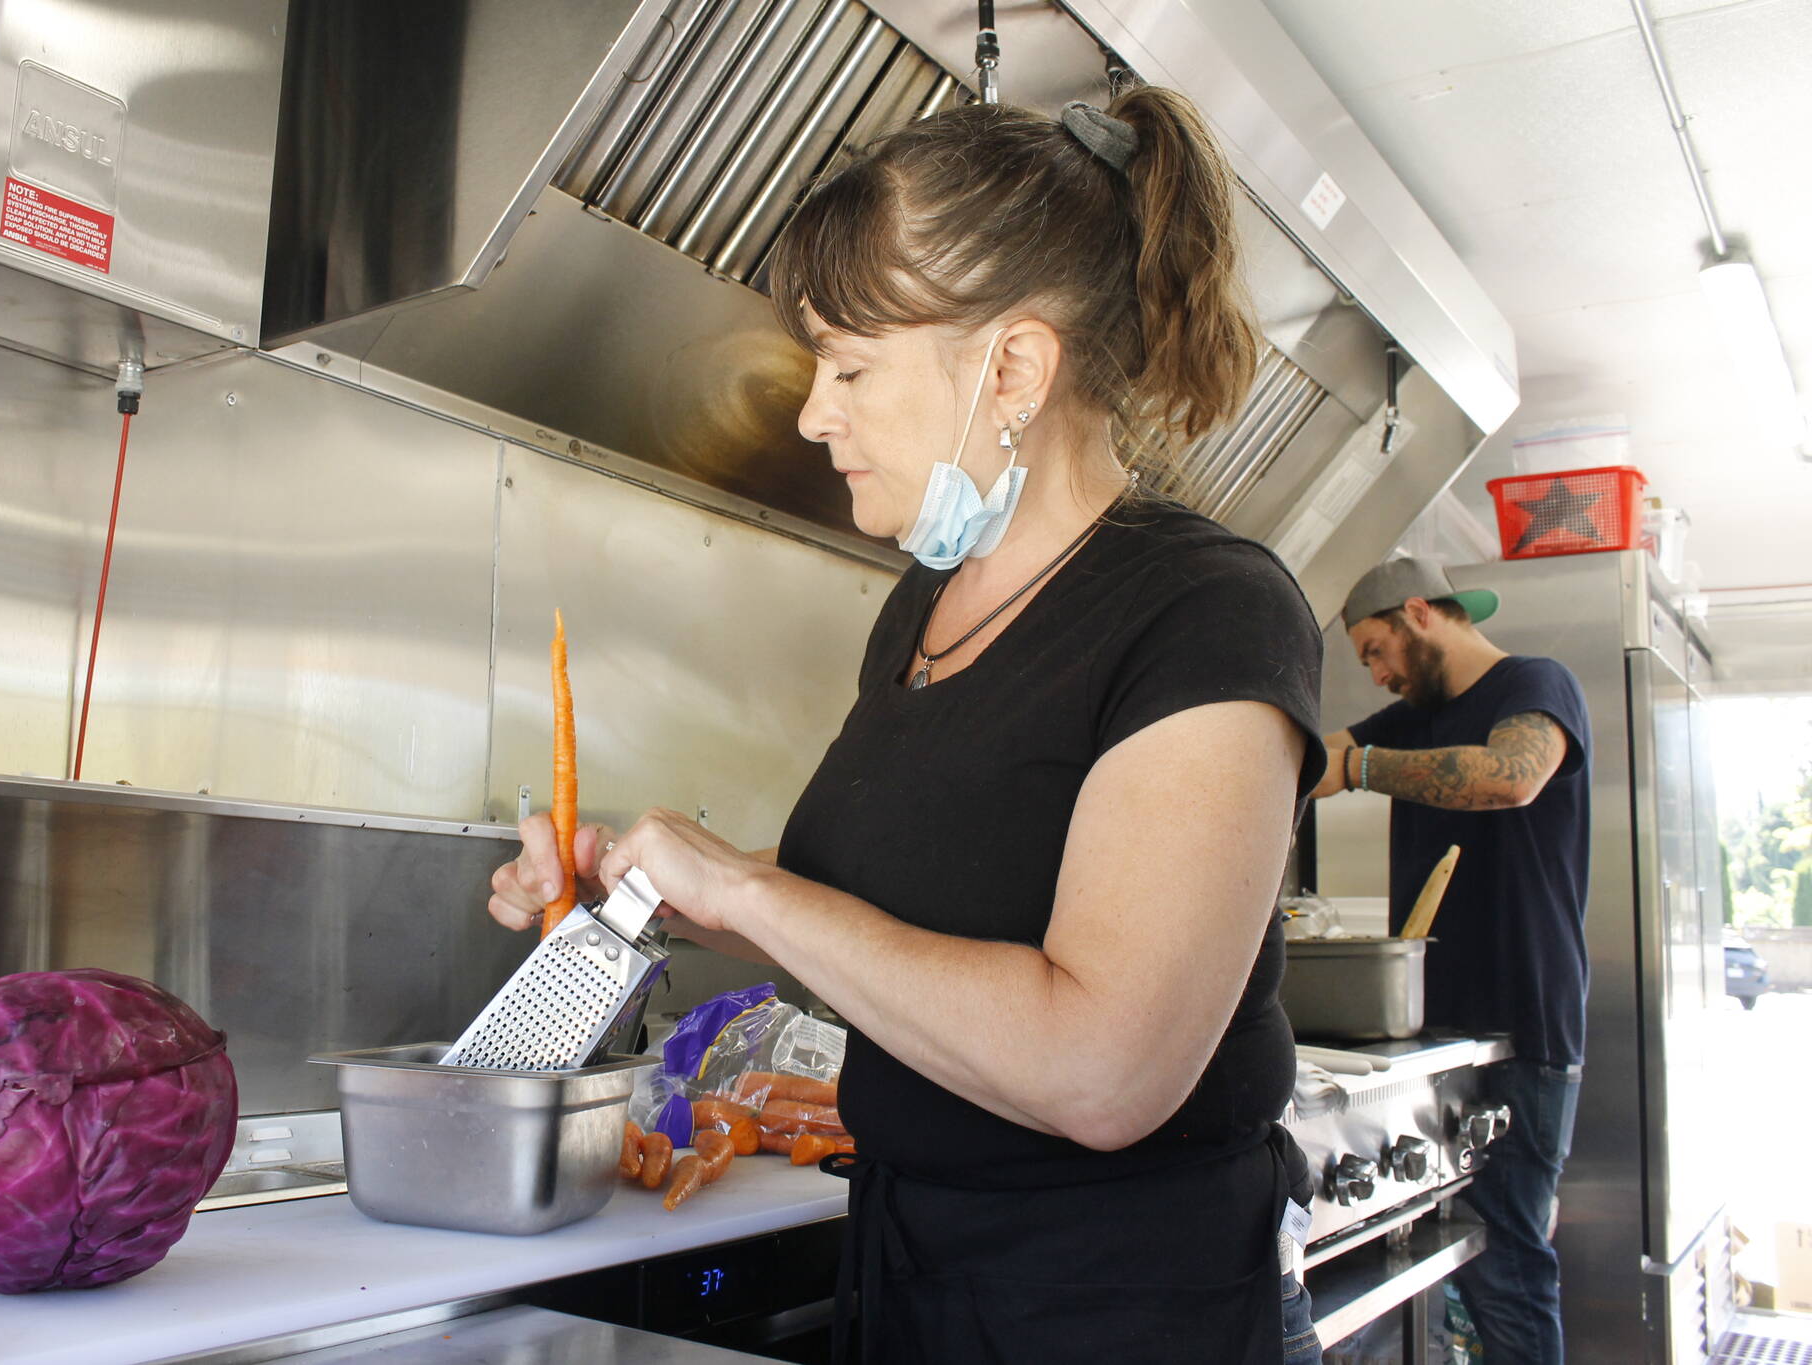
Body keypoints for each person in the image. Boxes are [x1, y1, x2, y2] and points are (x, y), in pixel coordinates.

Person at [490, 88, 1328, 1364]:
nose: (813, 411)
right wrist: (648, 885)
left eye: (851, 365)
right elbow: (888, 936)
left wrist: (753, 896)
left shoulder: (1206, 612)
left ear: (1013, 368)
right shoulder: (924, 609)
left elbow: (1102, 1072)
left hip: (1121, 1310)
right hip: (917, 1273)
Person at [1310, 555, 1592, 1365]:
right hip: (1436, 1039)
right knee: (1452, 1267)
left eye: (1374, 649)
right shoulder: (1413, 717)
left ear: (1418, 614)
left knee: (1506, 1268)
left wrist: (1364, 767)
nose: (1375, 673)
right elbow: (1319, 760)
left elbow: (1512, 777)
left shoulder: (1538, 685)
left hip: (1523, 1033)